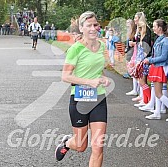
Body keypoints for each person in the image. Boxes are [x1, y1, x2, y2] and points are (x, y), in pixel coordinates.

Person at [55, 11, 111, 167]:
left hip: (98, 98)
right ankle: (67, 143)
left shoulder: (102, 46)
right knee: (81, 146)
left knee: (98, 148)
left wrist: (103, 77)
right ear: (81, 28)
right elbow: (65, 76)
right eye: (89, 25)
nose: (93, 28)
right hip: (79, 100)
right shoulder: (75, 49)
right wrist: (89, 81)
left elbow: (98, 70)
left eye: (95, 25)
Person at [143, 19, 168, 122]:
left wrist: (149, 60)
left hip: (160, 67)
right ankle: (157, 112)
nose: (153, 28)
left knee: (159, 93)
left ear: (159, 28)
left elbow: (164, 57)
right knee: (155, 90)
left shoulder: (166, 41)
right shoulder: (159, 39)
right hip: (156, 66)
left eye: (154, 26)